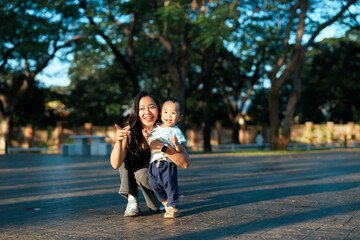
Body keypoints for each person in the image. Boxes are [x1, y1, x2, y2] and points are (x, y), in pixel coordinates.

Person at [110, 91, 189, 217]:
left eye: (152, 107)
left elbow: (185, 163)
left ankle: (162, 201)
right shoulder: (129, 131)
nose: (147, 112)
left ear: (159, 109)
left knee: (142, 175)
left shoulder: (167, 130)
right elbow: (115, 164)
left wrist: (164, 148)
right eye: (142, 108)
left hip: (155, 178)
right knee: (125, 156)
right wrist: (118, 141)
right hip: (138, 175)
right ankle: (132, 200)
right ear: (136, 111)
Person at [142, 98, 189, 218]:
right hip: (153, 163)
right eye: (166, 112)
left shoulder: (176, 132)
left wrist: (177, 144)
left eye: (173, 113)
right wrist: (146, 137)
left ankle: (173, 208)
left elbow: (180, 150)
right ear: (161, 114)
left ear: (179, 117)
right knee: (153, 185)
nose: (169, 115)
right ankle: (165, 202)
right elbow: (150, 145)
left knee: (170, 186)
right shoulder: (156, 128)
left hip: (168, 164)